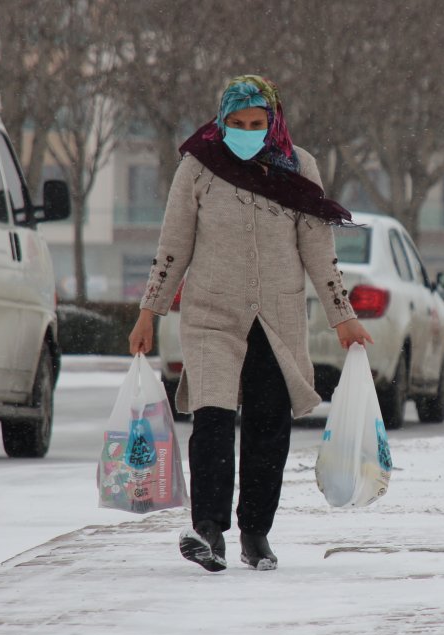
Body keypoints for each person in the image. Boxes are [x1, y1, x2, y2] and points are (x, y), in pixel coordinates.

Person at [128, 75, 372, 573]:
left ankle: (255, 532)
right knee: (213, 419)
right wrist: (149, 311)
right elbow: (173, 245)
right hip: (212, 315)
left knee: (268, 426)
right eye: (236, 123)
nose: (245, 132)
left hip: (277, 318)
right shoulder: (199, 166)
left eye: (256, 123)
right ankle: (208, 530)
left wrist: (342, 316)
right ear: (221, 122)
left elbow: (318, 250)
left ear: (273, 121)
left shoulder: (298, 167)